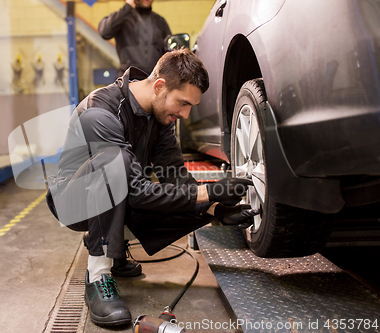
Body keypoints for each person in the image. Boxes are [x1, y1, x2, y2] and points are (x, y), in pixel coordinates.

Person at [46, 49, 258, 327]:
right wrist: (211, 191)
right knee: (117, 162)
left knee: (188, 198)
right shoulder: (101, 109)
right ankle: (98, 276)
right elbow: (133, 189)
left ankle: (116, 250)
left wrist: (215, 210)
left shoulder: (160, 121)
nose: (184, 113)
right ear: (159, 86)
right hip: (72, 203)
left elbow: (178, 181)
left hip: (119, 191)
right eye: (182, 103)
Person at [98, 0, 171, 76]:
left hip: (153, 80)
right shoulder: (123, 18)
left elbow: (169, 52)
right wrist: (128, 7)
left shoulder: (160, 22)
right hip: (128, 79)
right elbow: (104, 32)